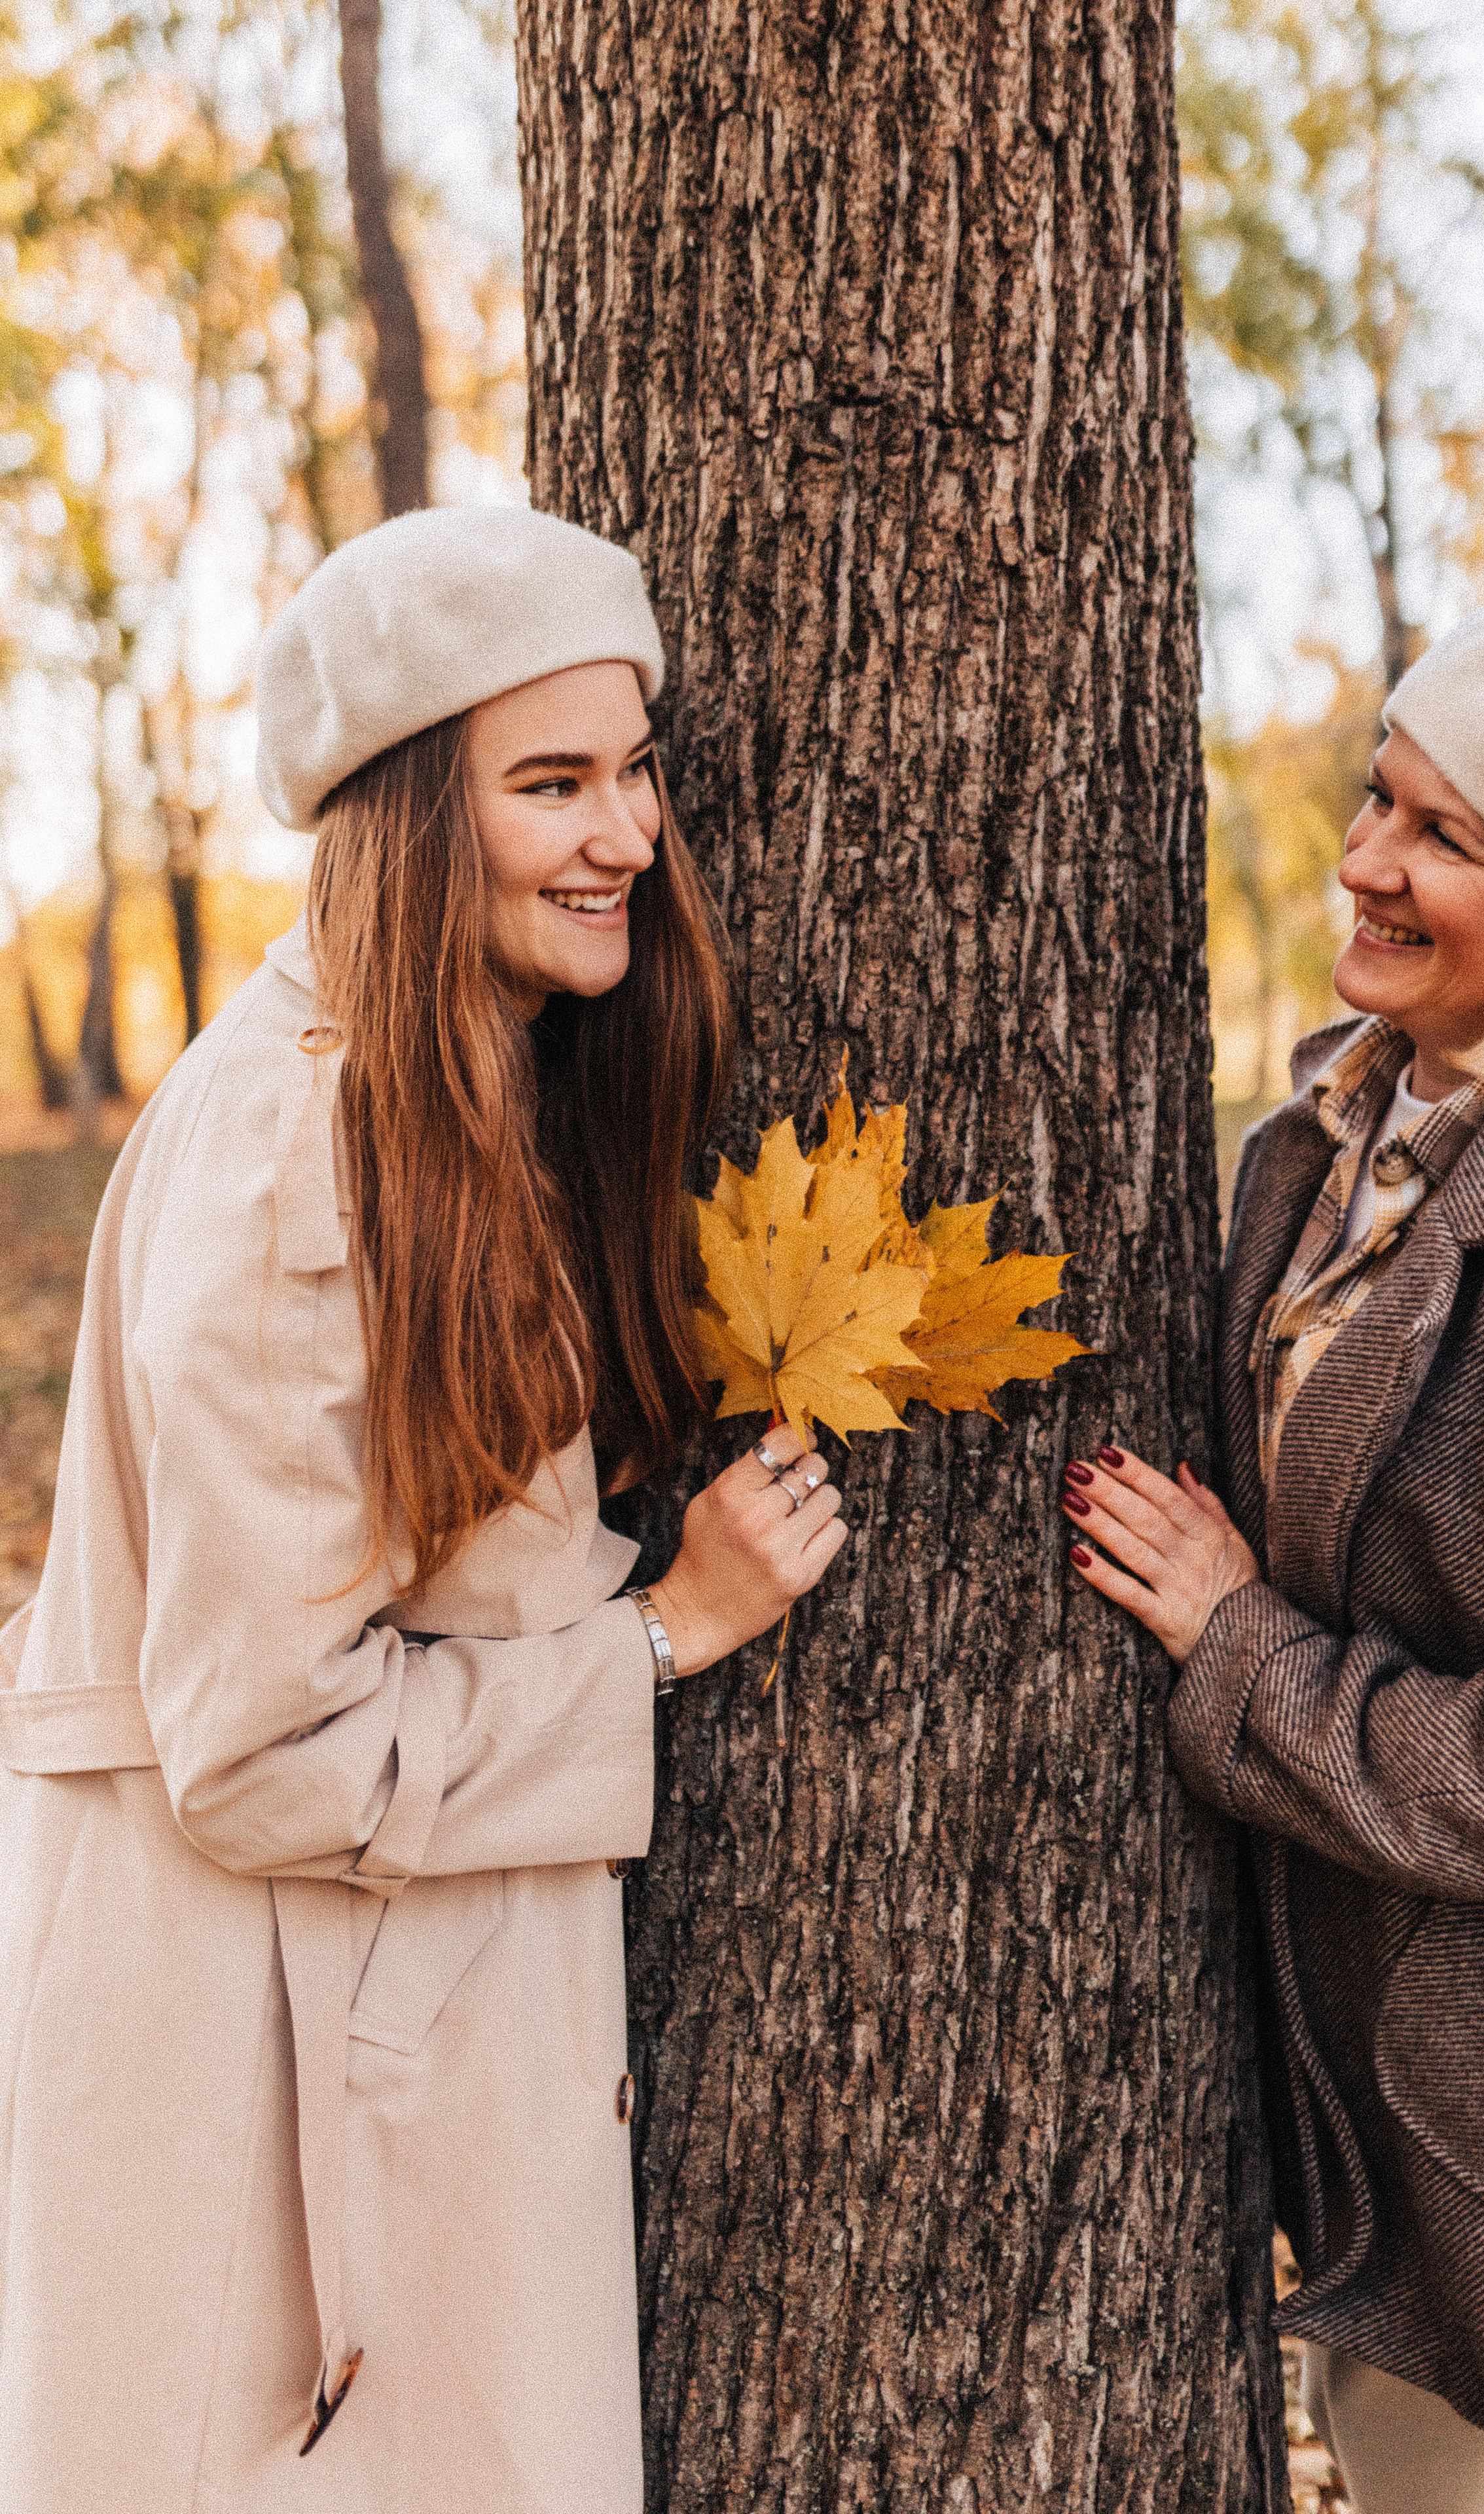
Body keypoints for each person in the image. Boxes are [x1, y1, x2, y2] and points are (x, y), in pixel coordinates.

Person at [0, 506, 846, 2512]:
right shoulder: (305, 1152)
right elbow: (267, 1745)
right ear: (399, 817)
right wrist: (664, 1635)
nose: (627, 834)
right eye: (549, 783)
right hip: (262, 2046)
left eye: (635, 770)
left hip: (375, 2005)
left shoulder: (450, 1089)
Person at [1060, 587, 1484, 2514]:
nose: (1364, 862)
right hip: (1358, 2085)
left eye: (1443, 835)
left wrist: (1237, 1650)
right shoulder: (1310, 1146)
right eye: (1375, 797)